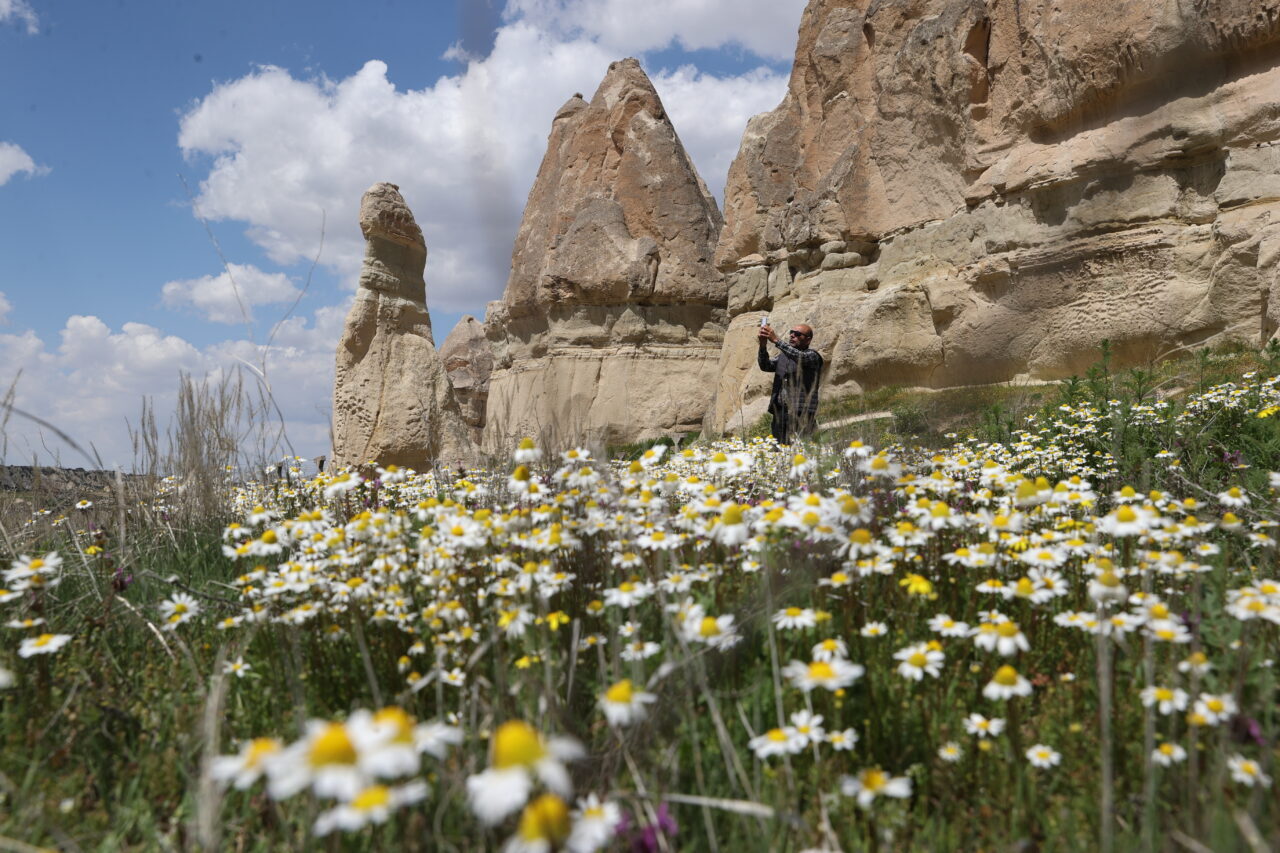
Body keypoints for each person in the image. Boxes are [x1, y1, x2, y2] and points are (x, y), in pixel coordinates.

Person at [757, 321, 823, 445]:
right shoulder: (783, 357)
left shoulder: (813, 356)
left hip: (801, 413)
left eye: (798, 334)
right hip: (780, 413)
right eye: (791, 333)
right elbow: (765, 365)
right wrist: (762, 345)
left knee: (802, 448)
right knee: (780, 450)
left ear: (808, 340)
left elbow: (799, 356)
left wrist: (776, 340)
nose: (792, 336)